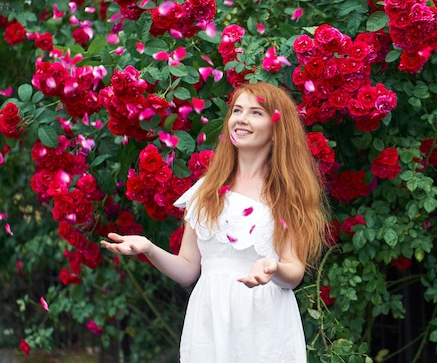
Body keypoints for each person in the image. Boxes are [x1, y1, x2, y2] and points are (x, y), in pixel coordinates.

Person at [101, 81, 330, 363]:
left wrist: (273, 268)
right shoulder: (205, 190)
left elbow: (293, 271)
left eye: (256, 112)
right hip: (209, 321)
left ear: (276, 129)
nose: (242, 119)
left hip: (263, 323)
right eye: (237, 110)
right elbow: (187, 270)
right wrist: (148, 248)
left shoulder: (285, 195)